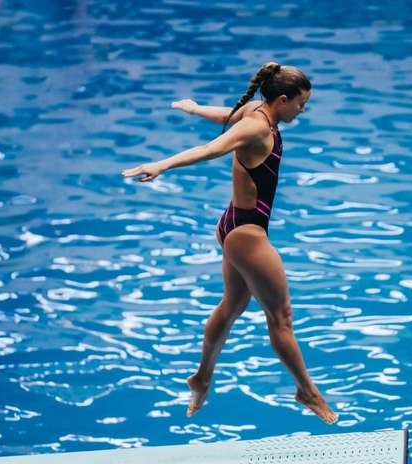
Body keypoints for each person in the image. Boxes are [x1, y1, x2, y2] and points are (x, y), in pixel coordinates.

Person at [122, 62, 338, 424]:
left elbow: (226, 116)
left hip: (233, 225)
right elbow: (212, 148)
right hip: (247, 233)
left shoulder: (256, 111)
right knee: (281, 317)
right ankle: (307, 391)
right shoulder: (257, 126)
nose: (303, 110)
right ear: (282, 100)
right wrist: (163, 164)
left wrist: (195, 109)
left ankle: (202, 376)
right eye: (301, 103)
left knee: (232, 306)